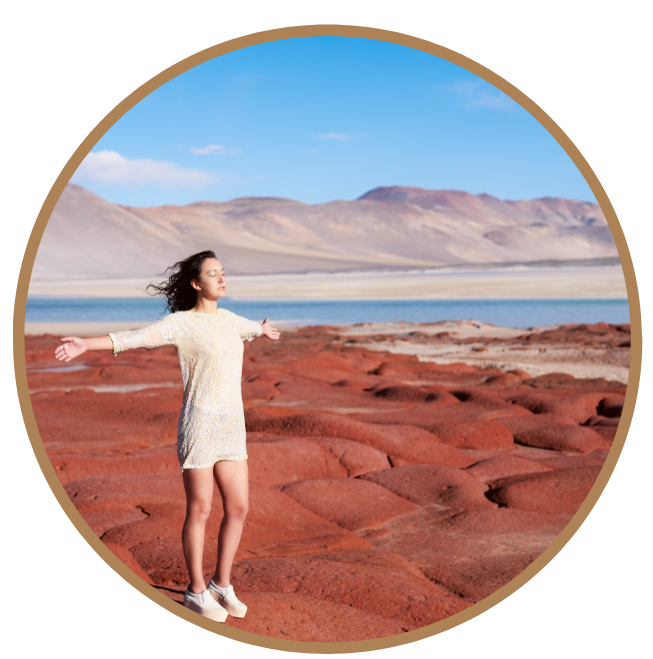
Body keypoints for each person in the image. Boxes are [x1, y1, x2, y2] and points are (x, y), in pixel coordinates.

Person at [54, 250, 280, 623]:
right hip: (199, 426)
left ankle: (221, 584)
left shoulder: (230, 320)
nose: (222, 279)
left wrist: (264, 328)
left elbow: (251, 328)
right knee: (201, 508)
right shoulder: (181, 323)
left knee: (238, 507)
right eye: (213, 274)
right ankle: (195, 590)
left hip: (231, 428)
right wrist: (86, 344)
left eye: (223, 273)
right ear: (196, 283)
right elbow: (135, 338)